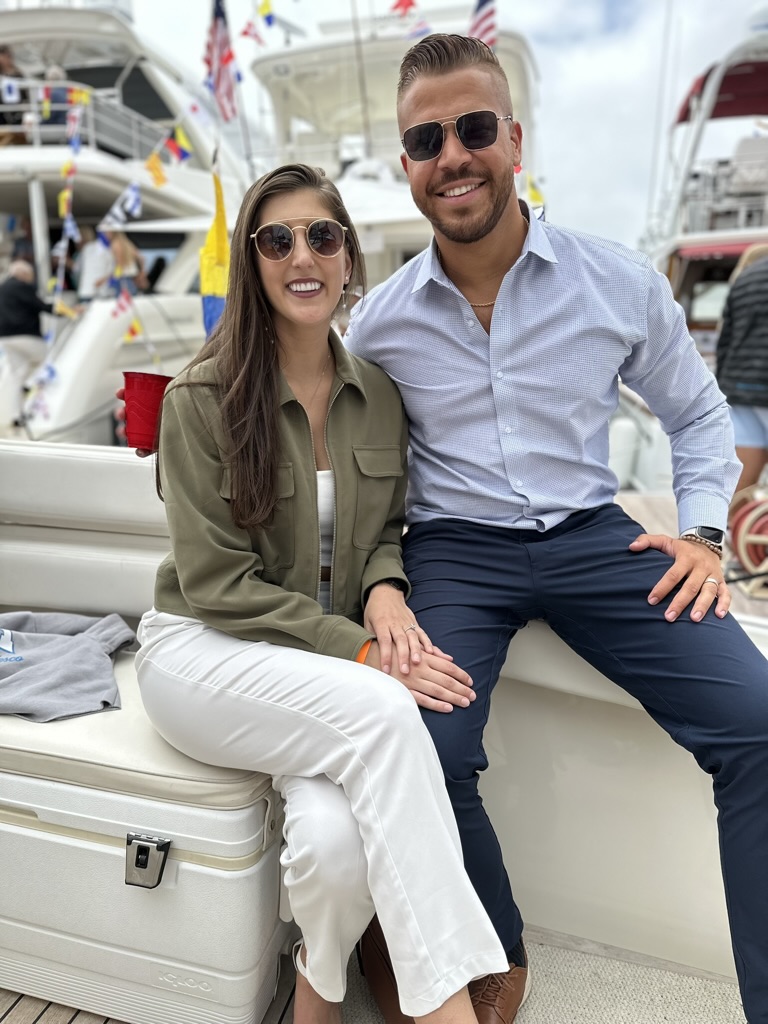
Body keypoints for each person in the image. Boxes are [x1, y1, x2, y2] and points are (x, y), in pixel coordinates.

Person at [344, 34, 768, 1024]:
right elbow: (341, 464)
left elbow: (700, 416)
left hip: (593, 537)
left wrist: (703, 532)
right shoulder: (380, 325)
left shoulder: (613, 281)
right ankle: (498, 941)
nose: (453, 154)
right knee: (426, 749)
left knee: (758, 722)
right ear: (407, 162)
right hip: (456, 551)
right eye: (426, 138)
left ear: (515, 140)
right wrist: (378, 584)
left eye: (475, 128)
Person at [132, 162, 508, 1024]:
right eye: (278, 239)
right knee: (387, 713)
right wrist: (368, 653)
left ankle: (315, 993)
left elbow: (382, 530)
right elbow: (218, 584)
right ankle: (450, 1009)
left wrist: (383, 591)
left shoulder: (379, 397)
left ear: (347, 260)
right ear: (253, 263)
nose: (303, 255)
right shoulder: (201, 398)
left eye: (322, 236)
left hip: (313, 670)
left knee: (337, 849)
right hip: (201, 651)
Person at [716, 244, 768, 498]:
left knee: (747, 461)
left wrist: (723, 386)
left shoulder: (745, 277)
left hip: (739, 385)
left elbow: (725, 339)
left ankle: (732, 527)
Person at [0, 260, 73, 425]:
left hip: (4, 337)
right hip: (25, 334)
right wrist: (68, 312)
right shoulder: (22, 287)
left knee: (17, 374)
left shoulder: (2, 288)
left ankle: (16, 416)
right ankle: (30, 384)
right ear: (24, 274)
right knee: (48, 360)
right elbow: (39, 305)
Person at [75, 226, 114, 302]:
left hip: (86, 292)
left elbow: (77, 269)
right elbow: (113, 271)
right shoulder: (109, 249)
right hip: (99, 293)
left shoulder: (86, 248)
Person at [105, 230, 146, 295]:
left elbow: (119, 264)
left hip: (122, 279)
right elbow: (142, 258)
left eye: (106, 232)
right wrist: (142, 272)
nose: (105, 234)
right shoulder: (127, 243)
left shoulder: (115, 244)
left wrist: (114, 277)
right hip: (130, 278)